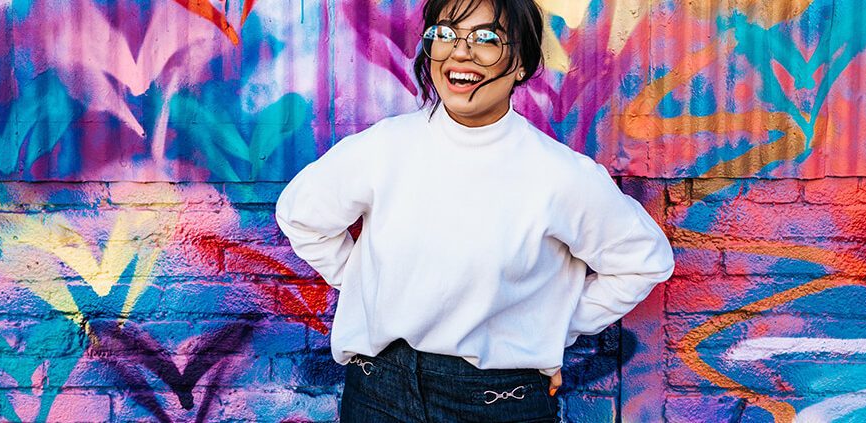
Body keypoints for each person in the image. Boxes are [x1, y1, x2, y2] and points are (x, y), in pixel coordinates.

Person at [275, 0, 675, 420]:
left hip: (499, 401)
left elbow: (642, 261)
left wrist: (551, 328)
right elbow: (302, 215)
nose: (460, 52)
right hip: (379, 393)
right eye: (444, 34)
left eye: (486, 38)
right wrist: (367, 288)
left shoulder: (559, 175)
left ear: (521, 63)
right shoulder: (385, 148)